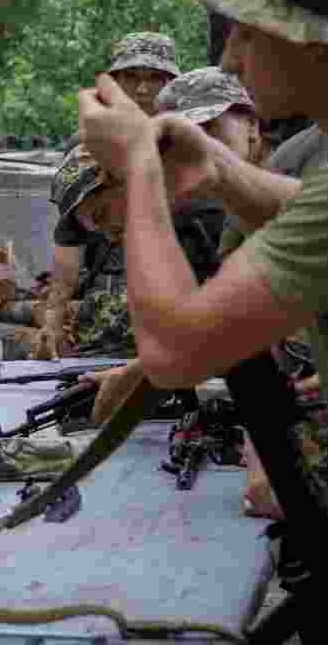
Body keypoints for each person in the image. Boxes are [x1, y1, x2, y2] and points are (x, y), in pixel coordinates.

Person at [76, 0, 328, 527]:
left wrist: (139, 169)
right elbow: (311, 213)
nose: (230, 60)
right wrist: (220, 171)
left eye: (247, 31)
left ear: (314, 40)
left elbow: (175, 352)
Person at [76, 67, 259, 422]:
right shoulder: (227, 208)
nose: (200, 145)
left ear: (252, 122)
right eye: (183, 138)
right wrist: (140, 371)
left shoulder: (298, 165)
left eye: (209, 127)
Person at [45, 32, 181, 358]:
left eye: (155, 79)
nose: (143, 88)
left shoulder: (192, 144)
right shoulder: (86, 148)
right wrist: (54, 317)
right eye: (132, 77)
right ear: (114, 82)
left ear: (173, 83)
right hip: (109, 317)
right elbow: (69, 243)